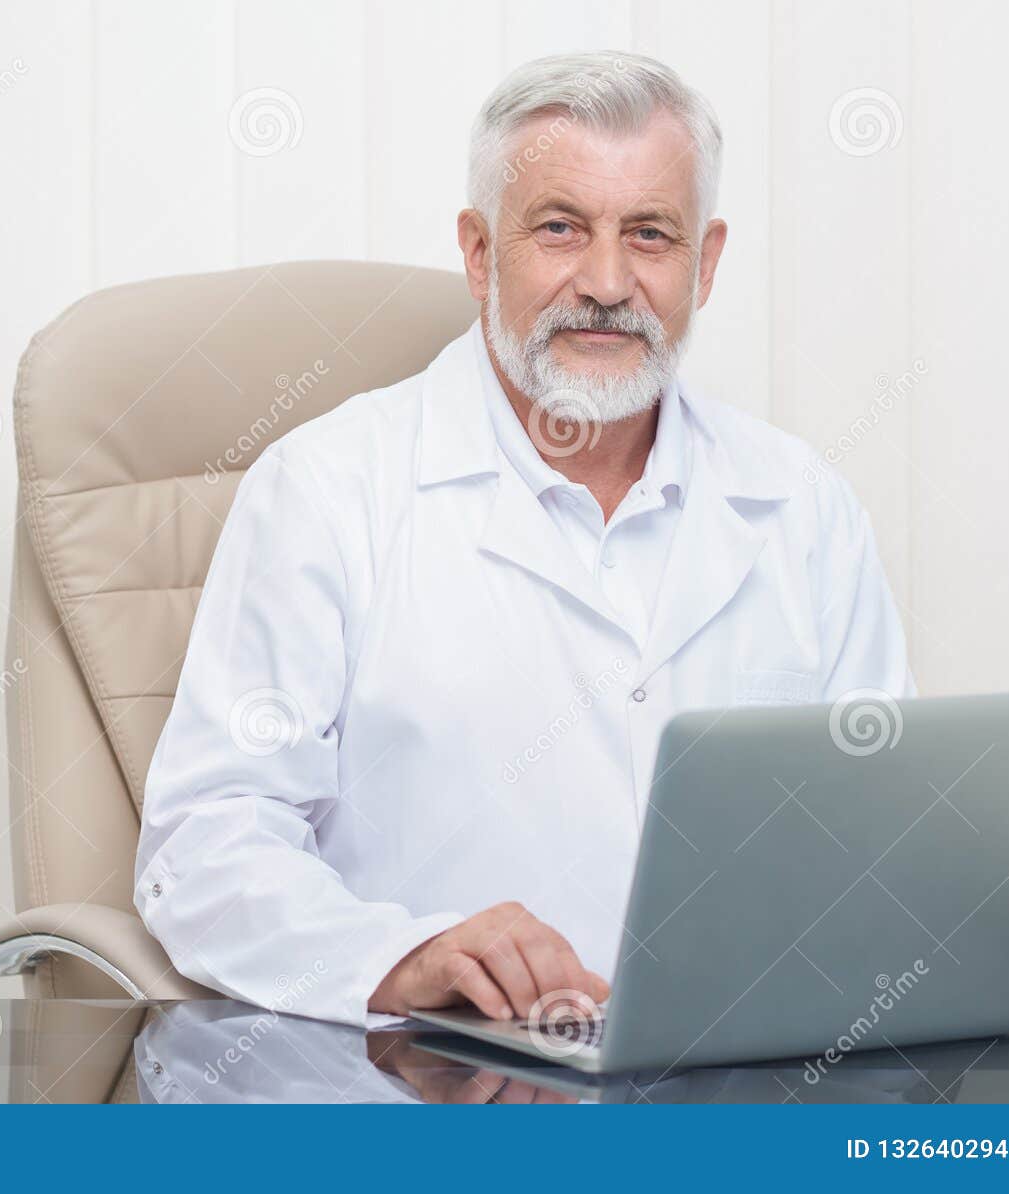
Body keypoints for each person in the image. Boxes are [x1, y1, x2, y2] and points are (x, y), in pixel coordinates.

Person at [134, 51, 913, 1027]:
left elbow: (881, 837)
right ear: (477, 253)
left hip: (737, 1089)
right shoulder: (327, 490)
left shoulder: (802, 507)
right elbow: (204, 851)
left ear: (704, 264)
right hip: (438, 1092)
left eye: (650, 234)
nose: (604, 281)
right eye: (558, 228)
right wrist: (405, 957)